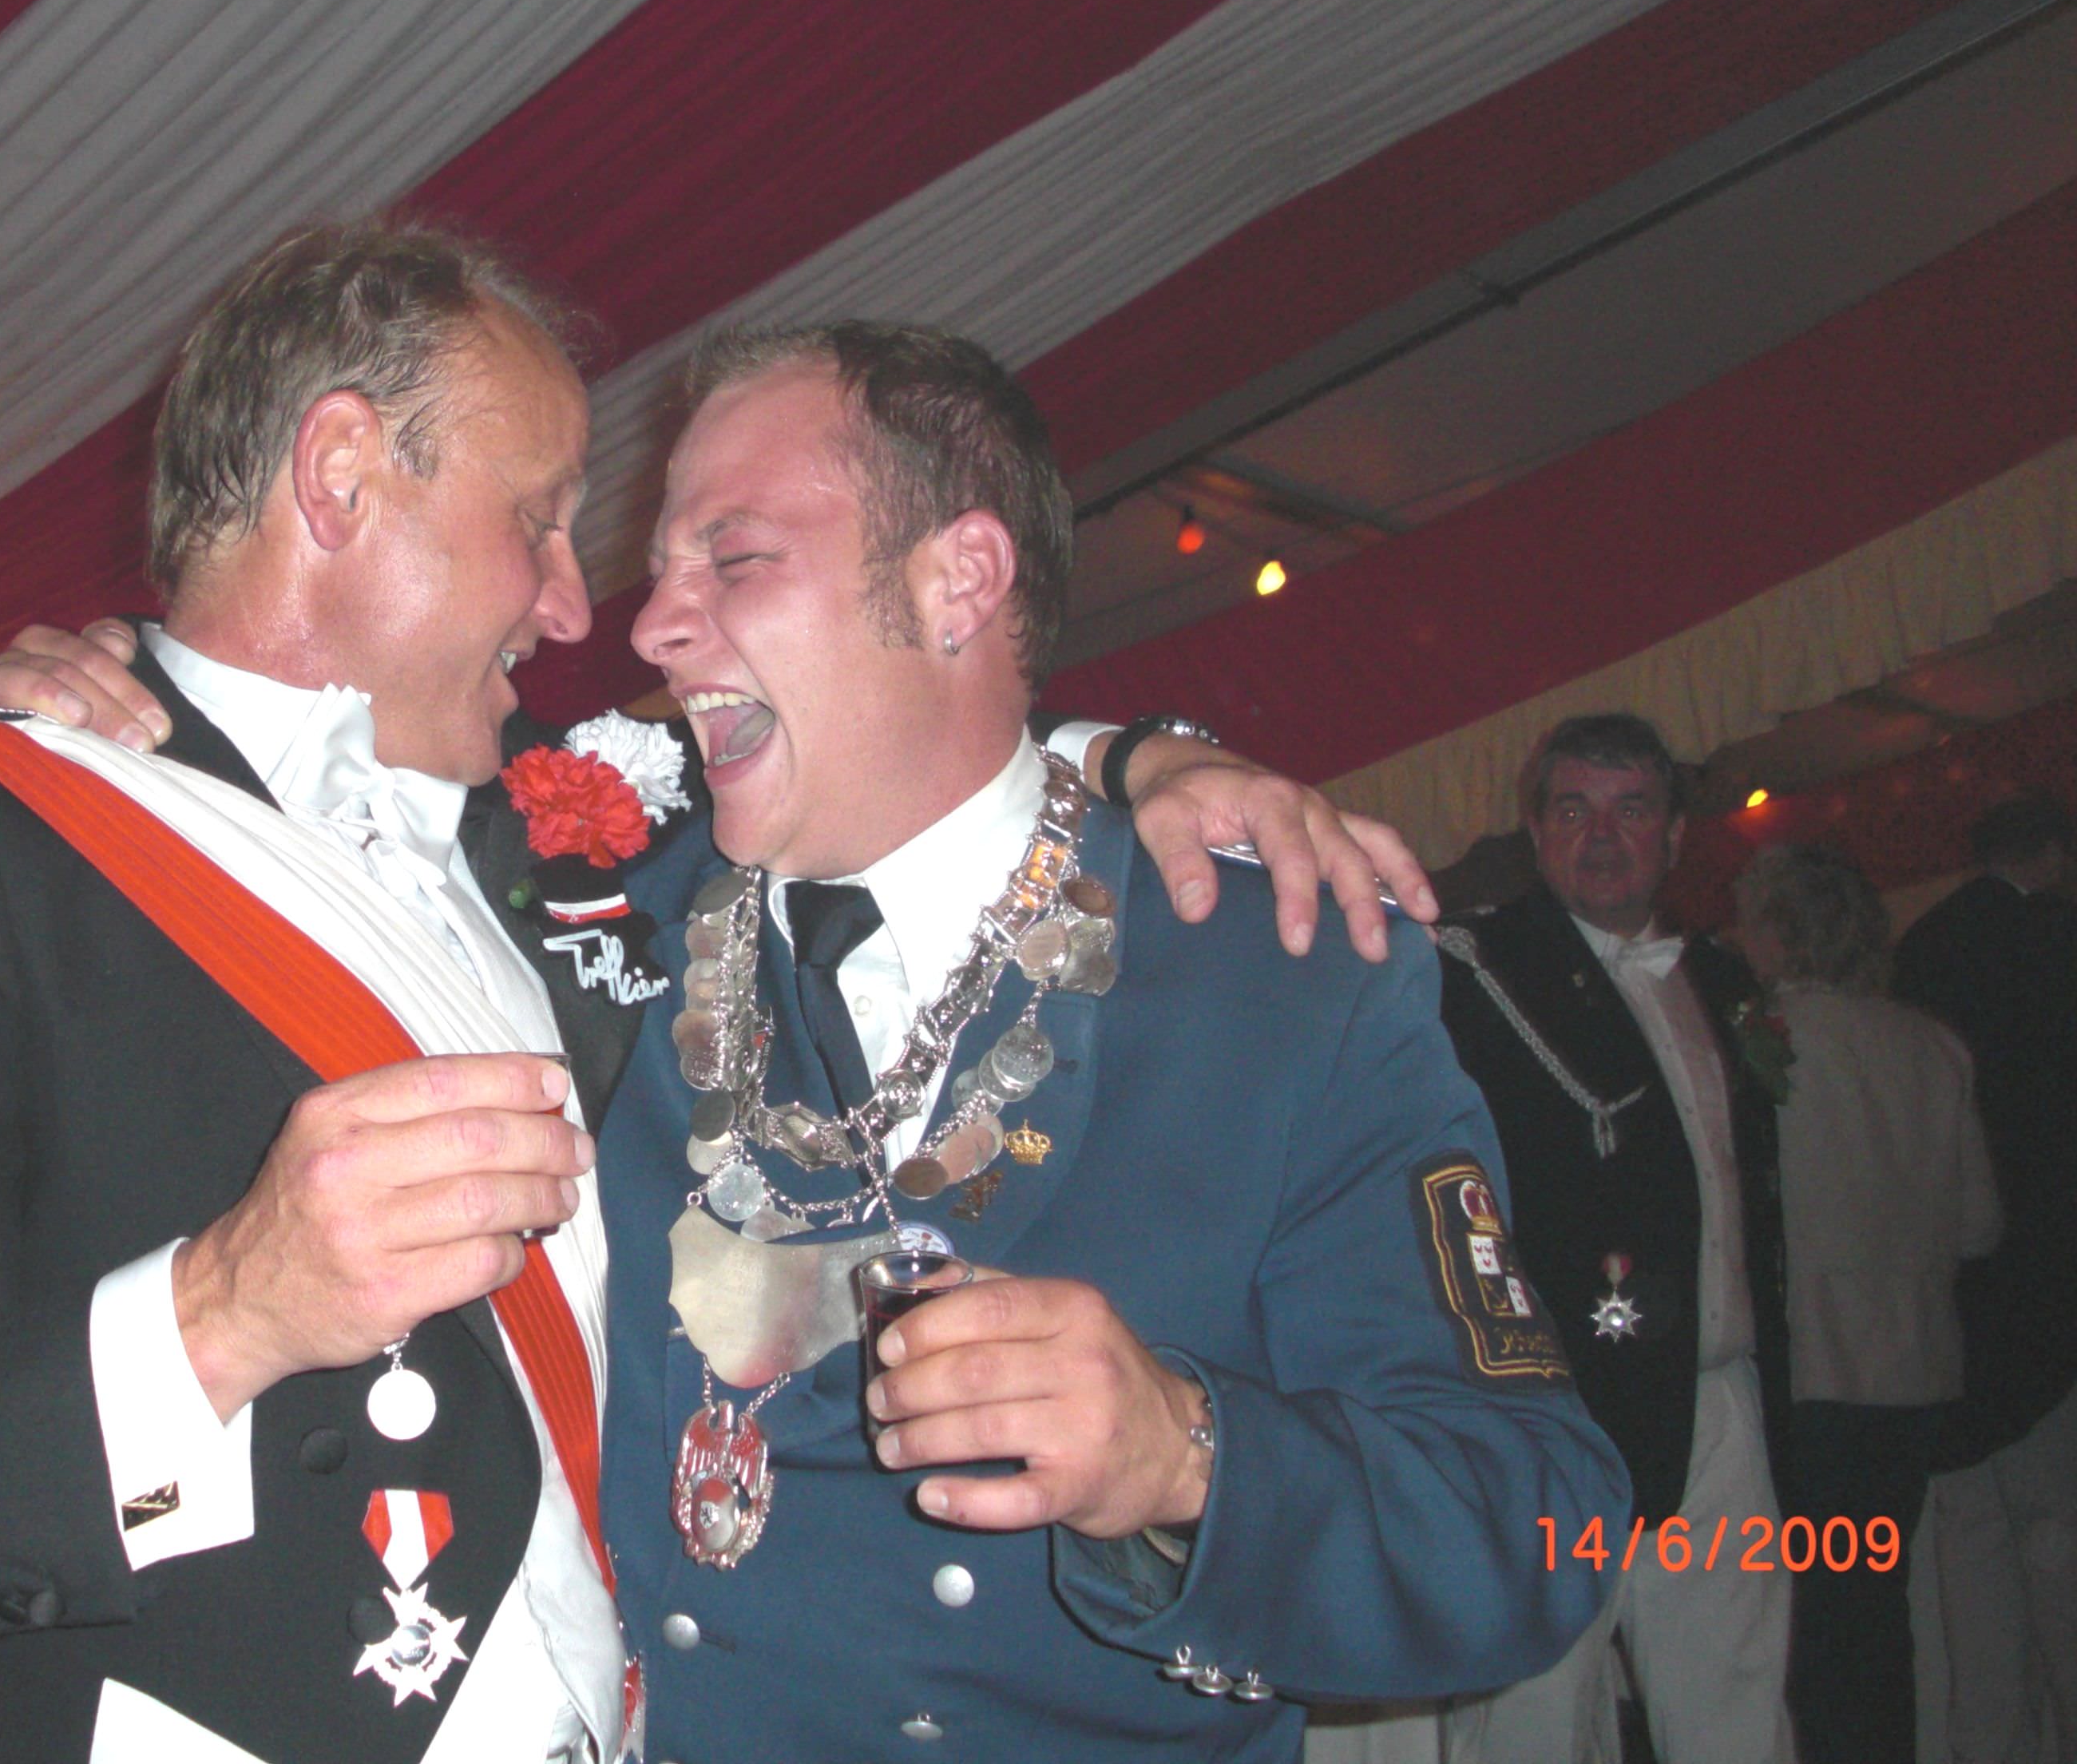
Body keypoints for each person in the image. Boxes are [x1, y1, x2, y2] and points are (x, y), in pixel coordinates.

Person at [0, 220, 1437, 1764]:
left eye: (688, 552)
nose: (593, 611)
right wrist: (223, 1307)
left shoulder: (573, 861)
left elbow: (922, 781)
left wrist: (1130, 760)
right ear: (341, 475)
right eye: (544, 521)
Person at [595, 323, 1623, 1760]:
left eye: (736, 557)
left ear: (959, 581)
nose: (652, 623)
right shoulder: (600, 918)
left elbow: (1532, 1528)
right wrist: (1125, 746)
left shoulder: (1277, 983)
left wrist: (1184, 1455)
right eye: (661, 569)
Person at [1431, 712, 1794, 1762]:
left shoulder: (1717, 978)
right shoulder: (1475, 975)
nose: (1600, 836)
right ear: (1536, 831)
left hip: (1720, 1400)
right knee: (1538, 1715)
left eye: (1631, 810)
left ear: (1675, 835)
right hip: (1556, 1416)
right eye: (1573, 810)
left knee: (1736, 1706)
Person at [1733, 839, 1998, 1764]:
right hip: (1917, 1375)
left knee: (1808, 1621)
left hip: (1815, 1372)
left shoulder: (1766, 1039)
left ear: (1778, 931)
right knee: (1877, 1614)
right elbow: (1978, 1226)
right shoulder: (1933, 1044)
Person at [1893, 793, 2077, 1764]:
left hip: (1960, 1290)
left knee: (1975, 1550)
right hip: (2049, 1274)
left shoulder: (1926, 948)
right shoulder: (2052, 942)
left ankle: (1991, 1739)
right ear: (2054, 851)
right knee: (2054, 1530)